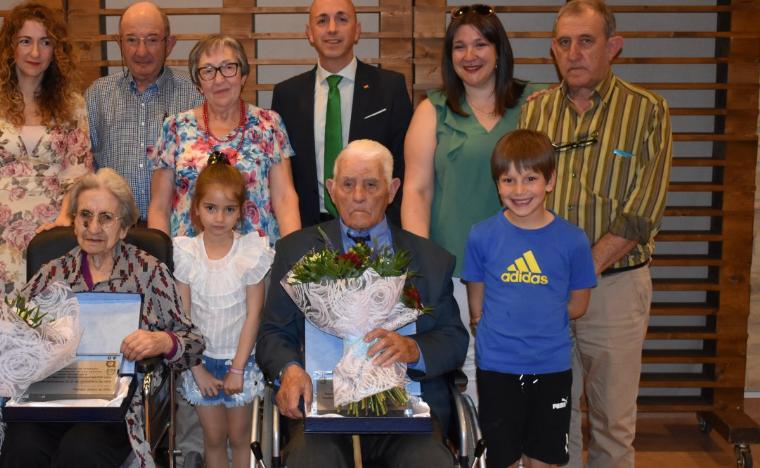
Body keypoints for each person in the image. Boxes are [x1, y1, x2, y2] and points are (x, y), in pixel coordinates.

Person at [0, 168, 204, 468]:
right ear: (74, 222)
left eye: (106, 218)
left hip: (116, 409)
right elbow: (7, 335)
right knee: (21, 445)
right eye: (85, 215)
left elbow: (193, 344)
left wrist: (163, 340)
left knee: (81, 449)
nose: (93, 227)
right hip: (49, 400)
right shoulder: (52, 274)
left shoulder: (149, 272)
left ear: (124, 227)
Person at [518, 1, 673, 467]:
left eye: (586, 41)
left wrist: (581, 269)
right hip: (545, 291)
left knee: (612, 426)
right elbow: (519, 197)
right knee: (549, 422)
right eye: (564, 43)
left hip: (616, 289)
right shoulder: (537, 110)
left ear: (613, 47)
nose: (574, 52)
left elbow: (642, 212)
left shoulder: (647, 111)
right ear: (553, 51)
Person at [256, 139, 468, 467]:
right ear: (332, 188)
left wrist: (414, 350)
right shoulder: (295, 251)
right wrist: (290, 369)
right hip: (320, 414)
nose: (358, 196)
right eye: (348, 184)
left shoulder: (430, 260)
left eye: (371, 184)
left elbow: (454, 340)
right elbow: (272, 333)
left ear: (393, 189)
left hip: (407, 414)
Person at [401, 4, 546, 404]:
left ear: (499, 49)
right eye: (459, 47)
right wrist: (422, 266)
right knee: (467, 372)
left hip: (524, 267)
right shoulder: (432, 110)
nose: (470, 56)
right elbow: (416, 191)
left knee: (520, 371)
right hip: (456, 271)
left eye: (480, 44)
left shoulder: (535, 104)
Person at [462, 130, 597, 468]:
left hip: (551, 367)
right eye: (508, 180)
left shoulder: (573, 240)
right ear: (497, 185)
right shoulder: (481, 236)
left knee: (544, 457)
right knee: (503, 456)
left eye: (530, 179)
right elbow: (476, 302)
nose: (519, 191)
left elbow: (579, 304)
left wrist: (539, 314)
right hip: (497, 368)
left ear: (549, 180)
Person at [0, 1, 93, 296]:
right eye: (25, 41)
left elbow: (78, 173)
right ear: (9, 47)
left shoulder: (73, 104)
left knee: (51, 325)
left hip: (53, 229)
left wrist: (64, 222)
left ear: (56, 51)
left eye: (45, 42)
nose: (35, 53)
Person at [271, 0, 412, 228]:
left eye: (342, 19)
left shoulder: (390, 88)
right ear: (310, 33)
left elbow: (404, 167)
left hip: (373, 228)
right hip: (307, 231)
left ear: (357, 30)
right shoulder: (286, 95)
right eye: (322, 20)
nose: (332, 28)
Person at [148, 34, 300, 245]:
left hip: (258, 262)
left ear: (243, 75)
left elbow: (285, 199)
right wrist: (161, 262)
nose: (219, 79)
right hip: (189, 265)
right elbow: (159, 206)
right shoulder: (174, 128)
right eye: (208, 71)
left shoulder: (269, 124)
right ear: (198, 83)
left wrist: (292, 257)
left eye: (228, 67)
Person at [173, 154, 273, 468]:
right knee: (213, 439)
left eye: (229, 210)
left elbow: (254, 315)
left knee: (239, 438)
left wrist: (238, 369)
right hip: (200, 364)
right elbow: (183, 319)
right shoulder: (186, 254)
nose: (219, 218)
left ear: (241, 212)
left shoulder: (249, 252)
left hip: (238, 362)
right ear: (196, 209)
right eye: (211, 208)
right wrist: (196, 368)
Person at [85, 1, 203, 218]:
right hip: (111, 231)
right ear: (119, 43)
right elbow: (84, 168)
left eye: (152, 40)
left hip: (176, 229)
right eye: (131, 40)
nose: (142, 51)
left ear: (169, 44)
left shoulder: (195, 95)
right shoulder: (97, 96)